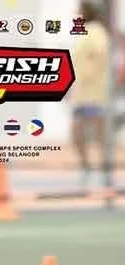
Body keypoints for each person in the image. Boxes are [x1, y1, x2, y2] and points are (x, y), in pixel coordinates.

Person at [69, 1, 111, 186]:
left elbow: (99, 57)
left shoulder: (97, 31)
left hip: (94, 93)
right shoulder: (85, 32)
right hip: (82, 92)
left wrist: (86, 78)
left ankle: (103, 171)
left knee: (97, 133)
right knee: (78, 133)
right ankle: (88, 168)